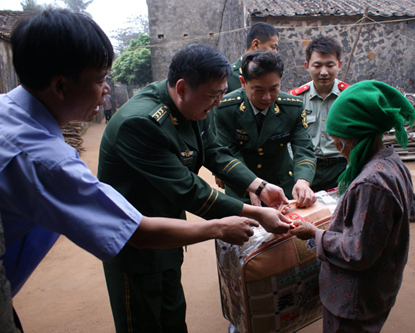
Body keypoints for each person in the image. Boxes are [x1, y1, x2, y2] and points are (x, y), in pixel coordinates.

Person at [0, 9, 261, 329]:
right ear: (60, 86)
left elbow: (212, 151)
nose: (107, 90)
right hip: (140, 253)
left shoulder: (10, 114)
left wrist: (257, 185)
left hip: (167, 240)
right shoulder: (49, 160)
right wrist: (223, 227)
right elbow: (136, 229)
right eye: (99, 80)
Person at [98, 44, 293, 332]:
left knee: (173, 316)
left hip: (170, 233)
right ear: (181, 87)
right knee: (142, 322)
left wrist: (259, 185)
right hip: (135, 245)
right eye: (213, 95)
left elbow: (214, 151)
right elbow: (188, 189)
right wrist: (256, 212)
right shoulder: (140, 123)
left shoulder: (198, 102)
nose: (218, 103)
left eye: (221, 93)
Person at [290, 80, 415, 333]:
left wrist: (314, 233)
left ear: (352, 138)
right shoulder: (391, 163)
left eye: (337, 140)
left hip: (354, 299)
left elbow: (357, 252)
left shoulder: (370, 184)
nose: (338, 147)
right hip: (378, 288)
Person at [214, 50, 317, 208]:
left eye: (273, 89)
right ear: (243, 82)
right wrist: (251, 185)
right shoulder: (226, 108)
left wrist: (303, 181)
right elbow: (229, 152)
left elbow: (303, 147)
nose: (267, 97)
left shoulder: (292, 107)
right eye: (259, 90)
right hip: (241, 189)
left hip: (282, 187)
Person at [289, 36, 350, 192]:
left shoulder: (350, 98)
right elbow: (288, 140)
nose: (324, 72)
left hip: (341, 167)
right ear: (307, 66)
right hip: (305, 169)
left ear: (339, 65)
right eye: (317, 65)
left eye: (330, 65)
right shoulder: (295, 100)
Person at [226, 22, 279, 93]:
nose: (275, 52)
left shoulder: (272, 74)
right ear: (256, 45)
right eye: (273, 47)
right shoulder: (229, 77)